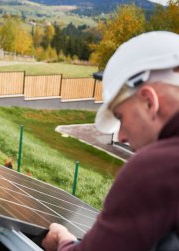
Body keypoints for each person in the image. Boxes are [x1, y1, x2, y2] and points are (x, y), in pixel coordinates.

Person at [42, 31, 179, 251]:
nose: (121, 135)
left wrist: (63, 238)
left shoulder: (157, 167)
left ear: (148, 102)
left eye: (120, 117)